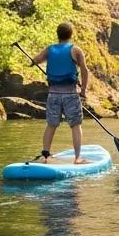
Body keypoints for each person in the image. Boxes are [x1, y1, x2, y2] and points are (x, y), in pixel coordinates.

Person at [31, 22, 90, 164]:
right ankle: (77, 158)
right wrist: (83, 90)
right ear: (71, 35)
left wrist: (33, 62)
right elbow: (84, 70)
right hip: (70, 94)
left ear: (57, 35)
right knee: (75, 125)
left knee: (51, 124)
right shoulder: (75, 50)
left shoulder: (49, 50)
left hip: (53, 94)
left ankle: (45, 156)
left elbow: (35, 60)